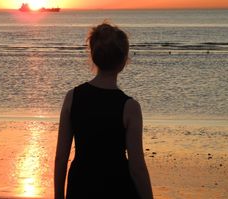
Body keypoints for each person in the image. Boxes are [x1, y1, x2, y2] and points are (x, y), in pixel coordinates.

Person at [54, 21, 153, 199]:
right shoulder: (130, 107)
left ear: (93, 56)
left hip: (80, 186)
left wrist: (58, 197)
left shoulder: (72, 97)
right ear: (124, 61)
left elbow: (61, 158)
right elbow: (137, 167)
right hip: (117, 187)